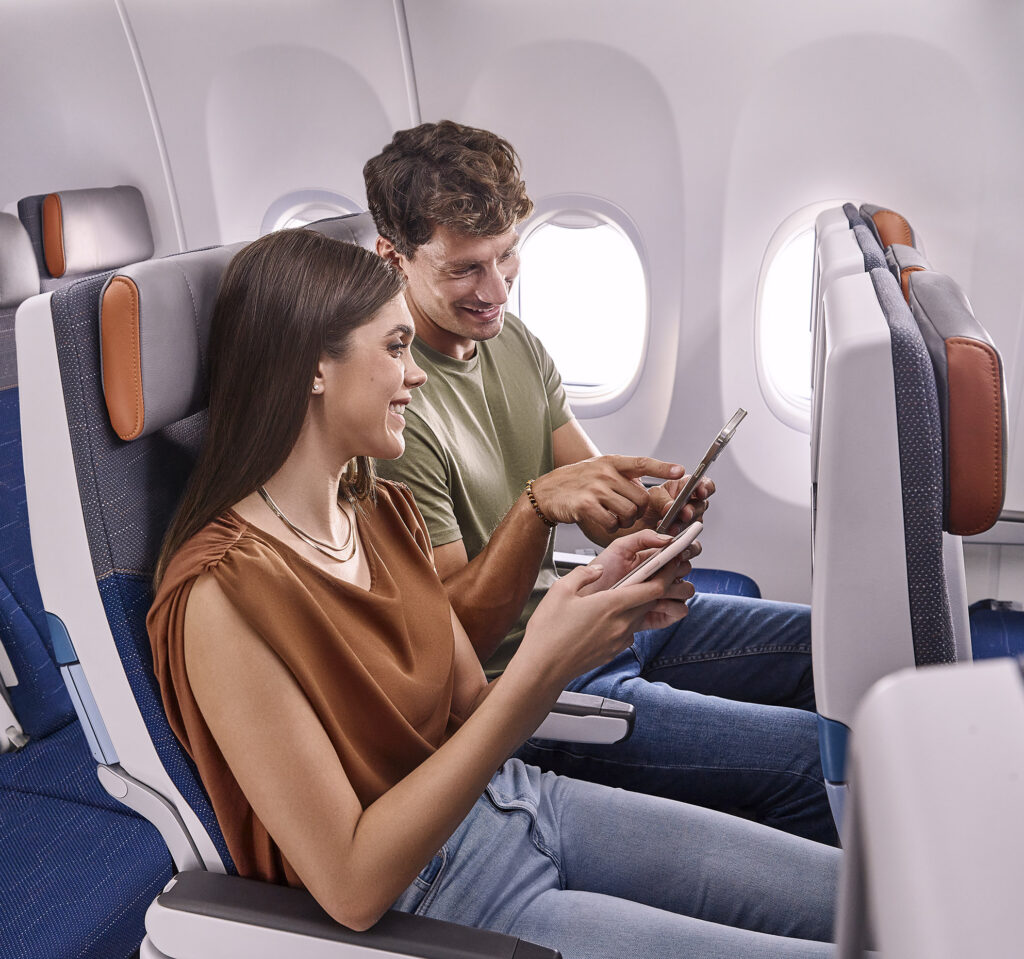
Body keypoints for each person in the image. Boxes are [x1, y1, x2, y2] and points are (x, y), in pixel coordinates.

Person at [147, 229, 840, 957]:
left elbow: (475, 707)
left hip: (518, 799)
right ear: (313, 368)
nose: (415, 375)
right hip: (443, 896)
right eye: (394, 348)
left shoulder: (381, 511)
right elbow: (351, 885)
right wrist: (542, 662)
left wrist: (599, 600)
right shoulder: (222, 595)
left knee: (864, 898)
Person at [369, 120, 838, 846]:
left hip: (595, 613)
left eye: (507, 255)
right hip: (535, 683)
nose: (496, 289)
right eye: (465, 269)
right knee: (814, 762)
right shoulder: (393, 411)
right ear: (392, 257)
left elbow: (594, 497)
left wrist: (652, 510)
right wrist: (535, 509)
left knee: (834, 647)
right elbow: (457, 637)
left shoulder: (512, 339)